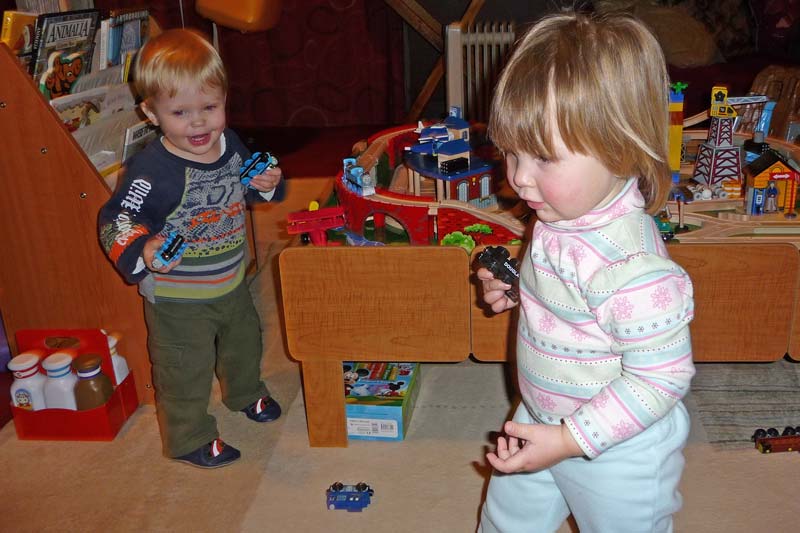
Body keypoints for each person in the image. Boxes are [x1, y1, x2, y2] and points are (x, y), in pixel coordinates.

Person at [475, 12, 696, 532]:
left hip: (619, 450)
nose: (520, 179)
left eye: (544, 158)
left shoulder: (634, 270)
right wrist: (519, 289)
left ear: (622, 147)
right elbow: (562, 290)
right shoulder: (559, 212)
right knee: (504, 522)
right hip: (537, 415)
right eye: (511, 151)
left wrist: (570, 441)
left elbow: (661, 378)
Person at [98, 29, 285, 469]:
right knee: (184, 367)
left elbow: (249, 189)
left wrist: (268, 184)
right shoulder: (152, 168)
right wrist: (142, 250)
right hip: (178, 296)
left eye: (210, 107)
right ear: (151, 112)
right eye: (180, 112)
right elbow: (116, 218)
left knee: (245, 343)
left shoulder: (230, 143)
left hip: (231, 279)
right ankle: (188, 437)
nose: (198, 122)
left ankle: (245, 392)